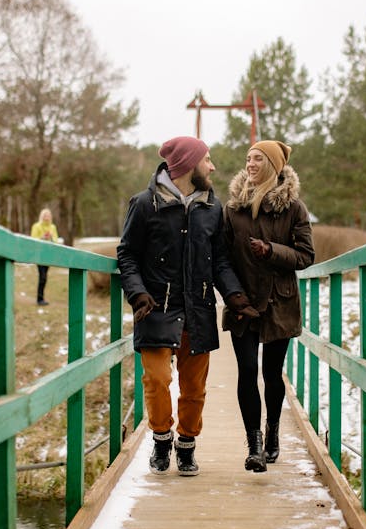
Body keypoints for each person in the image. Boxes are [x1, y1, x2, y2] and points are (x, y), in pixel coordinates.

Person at [117, 136, 258, 476]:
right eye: (206, 160)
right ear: (187, 166)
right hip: (155, 308)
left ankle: (186, 446)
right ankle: (161, 439)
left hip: (198, 308)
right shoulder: (144, 203)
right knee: (157, 379)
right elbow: (127, 254)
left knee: (194, 387)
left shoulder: (212, 207)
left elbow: (221, 260)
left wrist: (235, 295)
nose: (212, 167)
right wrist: (137, 293)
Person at [222, 139, 314, 472]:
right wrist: (233, 294)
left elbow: (306, 256)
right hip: (243, 302)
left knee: (272, 374)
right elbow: (222, 258)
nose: (250, 163)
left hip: (279, 301)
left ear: (273, 165)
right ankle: (254, 445)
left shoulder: (294, 208)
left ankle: (272, 431)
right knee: (246, 371)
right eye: (248, 158)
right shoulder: (233, 208)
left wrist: (272, 251)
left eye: (258, 158)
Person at [30, 208, 60, 306]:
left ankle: (41, 298)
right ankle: (40, 299)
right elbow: (33, 239)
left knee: (44, 277)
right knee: (42, 277)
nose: (47, 217)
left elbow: (56, 241)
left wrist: (51, 237)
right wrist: (42, 238)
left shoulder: (53, 227)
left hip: (48, 255)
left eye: (48, 215)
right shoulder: (36, 226)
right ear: (41, 216)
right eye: (45, 215)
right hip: (39, 255)